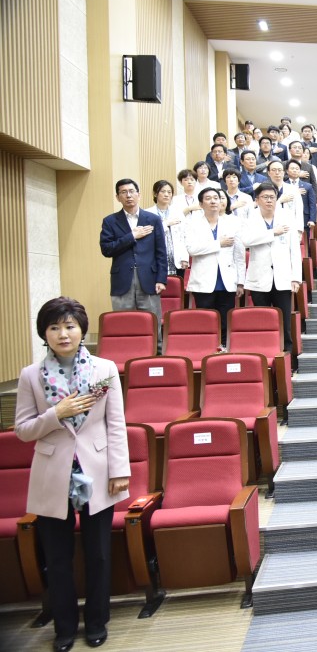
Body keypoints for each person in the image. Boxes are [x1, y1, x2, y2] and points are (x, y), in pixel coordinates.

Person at [15, 297, 130, 652]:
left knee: (97, 554)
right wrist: (57, 413)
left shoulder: (104, 369)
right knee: (58, 557)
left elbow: (115, 424)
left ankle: (96, 622)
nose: (62, 334)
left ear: (82, 330)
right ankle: (64, 628)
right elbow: (22, 430)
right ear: (44, 333)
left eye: (69, 326)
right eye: (54, 327)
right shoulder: (30, 376)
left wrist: (120, 470)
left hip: (96, 471)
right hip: (54, 475)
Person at [241, 184, 302, 352]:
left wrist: (296, 277)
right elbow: (246, 241)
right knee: (261, 320)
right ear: (257, 200)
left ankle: (288, 357)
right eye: (265, 197)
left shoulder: (286, 216)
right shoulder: (250, 218)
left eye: (272, 197)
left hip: (282, 277)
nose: (269, 200)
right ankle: (264, 353)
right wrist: (272, 233)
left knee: (284, 321)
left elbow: (294, 250)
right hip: (259, 277)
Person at [100, 179, 167, 331]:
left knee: (153, 324)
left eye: (131, 191)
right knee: (123, 325)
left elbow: (161, 252)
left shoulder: (153, 219)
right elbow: (106, 249)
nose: (128, 195)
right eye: (123, 192)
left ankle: (156, 354)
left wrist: (161, 279)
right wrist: (131, 236)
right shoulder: (110, 221)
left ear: (139, 195)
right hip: (122, 279)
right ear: (118, 197)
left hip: (149, 279)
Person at [184, 187, 246, 345]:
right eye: (208, 198)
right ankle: (206, 350)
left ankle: (225, 350)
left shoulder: (233, 223)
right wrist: (218, 243)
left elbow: (238, 254)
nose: (213, 201)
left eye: (216, 198)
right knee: (205, 321)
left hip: (227, 280)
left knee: (226, 321)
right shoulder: (192, 223)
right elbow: (192, 249)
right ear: (200, 203)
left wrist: (240, 281)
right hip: (203, 281)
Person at [146, 179, 188, 278]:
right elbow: (148, 234)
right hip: (155, 260)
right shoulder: (148, 214)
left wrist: (184, 257)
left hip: (177, 258)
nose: (166, 195)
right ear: (155, 194)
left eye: (169, 192)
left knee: (176, 289)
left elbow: (184, 236)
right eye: (163, 191)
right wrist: (165, 224)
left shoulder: (178, 212)